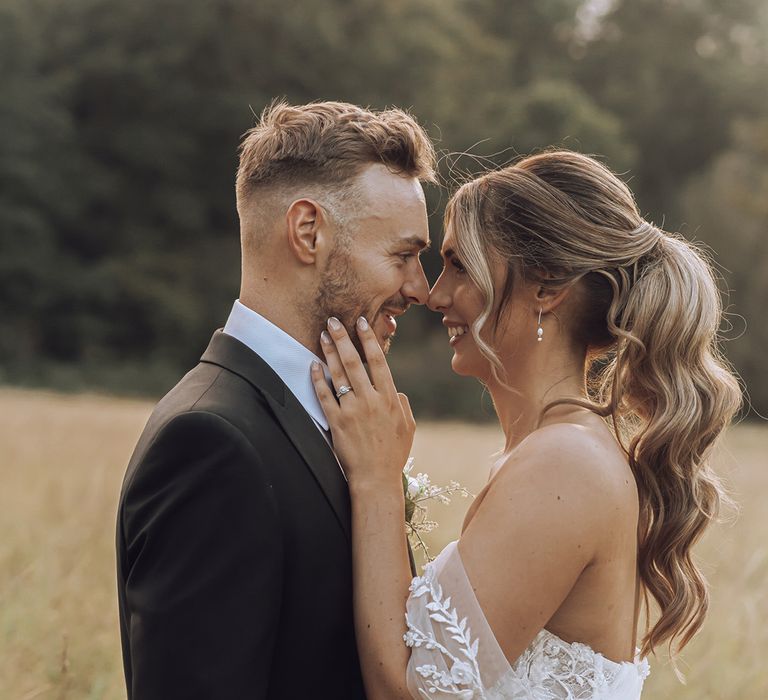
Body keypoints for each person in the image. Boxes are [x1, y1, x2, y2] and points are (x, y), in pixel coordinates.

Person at [312, 150, 742, 699]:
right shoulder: (553, 453)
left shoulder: (565, 466)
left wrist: (376, 480)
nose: (435, 295)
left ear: (545, 287)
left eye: (460, 265)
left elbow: (408, 694)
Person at [115, 100, 436, 699]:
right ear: (308, 231)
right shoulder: (210, 443)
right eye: (403, 256)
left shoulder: (340, 423)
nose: (420, 289)